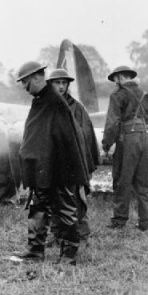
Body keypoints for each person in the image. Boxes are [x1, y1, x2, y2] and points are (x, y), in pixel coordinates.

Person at [14, 62, 89, 265]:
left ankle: (68, 256)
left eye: (25, 81)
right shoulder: (42, 99)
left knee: (65, 209)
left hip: (60, 169)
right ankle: (35, 251)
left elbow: (65, 140)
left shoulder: (53, 101)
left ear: (37, 77)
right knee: (38, 207)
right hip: (45, 168)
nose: (23, 86)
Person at [46, 68, 100, 243]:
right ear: (50, 84)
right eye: (57, 83)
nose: (61, 87)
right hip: (54, 162)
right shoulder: (46, 106)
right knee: (54, 199)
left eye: (64, 83)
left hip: (73, 162)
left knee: (76, 198)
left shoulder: (77, 108)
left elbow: (86, 134)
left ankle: (81, 233)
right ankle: (57, 234)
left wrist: (83, 162)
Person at [102, 66, 148, 231]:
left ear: (119, 78)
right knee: (144, 182)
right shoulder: (147, 96)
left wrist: (106, 145)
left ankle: (119, 220)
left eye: (115, 80)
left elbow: (112, 123)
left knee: (122, 179)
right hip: (144, 138)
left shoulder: (118, 95)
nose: (114, 84)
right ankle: (146, 222)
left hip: (128, 139)